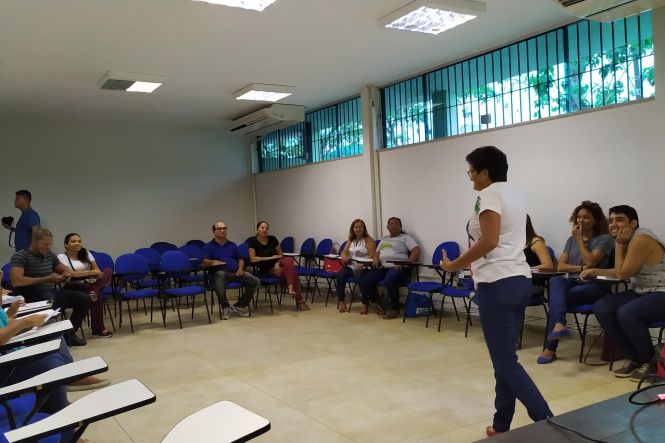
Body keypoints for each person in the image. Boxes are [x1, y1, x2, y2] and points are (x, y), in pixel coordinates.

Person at [440, 145, 551, 437]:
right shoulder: (515, 193)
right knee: (505, 359)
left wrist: (454, 266)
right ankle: (501, 424)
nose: (470, 178)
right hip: (517, 280)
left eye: (471, 172)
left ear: (484, 172)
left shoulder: (486, 195)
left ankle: (548, 422)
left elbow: (488, 241)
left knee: (504, 361)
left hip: (497, 283)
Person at [0, 293, 109, 442]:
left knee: (53, 331)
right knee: (51, 365)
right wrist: (24, 322)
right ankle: (66, 433)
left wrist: (12, 314)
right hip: (5, 362)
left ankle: (70, 378)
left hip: (9, 351)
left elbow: (4, 322)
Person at [585, 205, 665, 382]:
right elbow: (622, 270)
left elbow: (622, 274)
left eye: (619, 219)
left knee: (627, 313)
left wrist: (619, 244)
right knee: (603, 307)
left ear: (634, 223)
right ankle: (636, 358)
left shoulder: (641, 238)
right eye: (611, 220)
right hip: (643, 290)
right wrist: (595, 270)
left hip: (661, 292)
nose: (613, 224)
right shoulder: (629, 239)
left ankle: (651, 363)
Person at [538, 201, 613, 364]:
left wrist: (579, 240)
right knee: (556, 280)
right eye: (578, 217)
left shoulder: (605, 239)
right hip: (572, 282)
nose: (580, 220)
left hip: (595, 286)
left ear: (595, 220)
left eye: (586, 217)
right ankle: (559, 323)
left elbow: (591, 262)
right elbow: (561, 266)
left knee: (557, 301)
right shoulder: (570, 240)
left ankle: (550, 349)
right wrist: (580, 267)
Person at [9, 229, 92, 346]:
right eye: (45, 244)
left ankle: (69, 334)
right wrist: (46, 279)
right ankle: (49, 338)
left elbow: (64, 269)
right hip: (29, 295)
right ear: (34, 242)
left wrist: (66, 274)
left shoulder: (50, 255)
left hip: (50, 293)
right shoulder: (21, 256)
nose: (48, 247)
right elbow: (17, 281)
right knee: (49, 298)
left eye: (50, 244)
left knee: (84, 298)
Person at [358, 217, 420, 319]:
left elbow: (416, 250)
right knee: (367, 279)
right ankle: (378, 301)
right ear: (387, 227)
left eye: (396, 224)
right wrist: (376, 258)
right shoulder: (384, 239)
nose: (393, 225)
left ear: (400, 227)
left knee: (389, 279)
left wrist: (407, 262)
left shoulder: (405, 238)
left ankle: (395, 308)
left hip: (398, 267)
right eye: (390, 223)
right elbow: (377, 252)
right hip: (383, 266)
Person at [57, 233, 113, 338]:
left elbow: (97, 271)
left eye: (79, 241)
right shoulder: (62, 257)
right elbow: (70, 274)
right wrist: (89, 272)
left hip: (90, 283)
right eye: (73, 241)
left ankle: (95, 290)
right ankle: (98, 329)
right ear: (66, 245)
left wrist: (92, 275)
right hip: (73, 285)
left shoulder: (86, 253)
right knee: (98, 296)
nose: (77, 243)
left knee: (108, 270)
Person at [202, 221, 260, 320]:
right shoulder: (209, 246)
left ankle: (240, 305)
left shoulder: (232, 245)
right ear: (214, 232)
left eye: (224, 228)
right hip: (219, 274)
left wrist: (241, 268)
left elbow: (240, 259)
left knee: (256, 281)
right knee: (219, 275)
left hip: (235, 273)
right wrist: (212, 262)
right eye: (219, 229)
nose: (222, 230)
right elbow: (204, 261)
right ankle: (225, 307)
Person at [247, 221, 309, 311]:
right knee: (293, 274)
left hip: (277, 264)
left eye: (266, 228)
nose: (264, 230)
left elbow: (280, 255)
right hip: (266, 268)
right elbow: (253, 259)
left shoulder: (272, 239)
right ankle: (299, 299)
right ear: (257, 229)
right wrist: (269, 257)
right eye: (262, 228)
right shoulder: (252, 241)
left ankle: (290, 286)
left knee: (289, 260)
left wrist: (276, 263)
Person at [336, 219, 376, 313]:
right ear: (353, 229)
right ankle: (341, 301)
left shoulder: (368, 239)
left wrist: (363, 264)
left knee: (360, 277)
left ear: (364, 228)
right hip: (352, 265)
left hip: (365, 266)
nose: (358, 229)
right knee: (340, 275)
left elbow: (372, 254)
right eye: (356, 227)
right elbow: (344, 251)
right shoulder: (351, 239)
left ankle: (365, 303)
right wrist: (344, 256)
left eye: (360, 227)